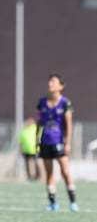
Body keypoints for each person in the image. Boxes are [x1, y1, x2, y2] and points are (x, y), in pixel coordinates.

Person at [36, 73, 79, 212]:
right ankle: (53, 203)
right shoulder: (42, 102)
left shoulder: (65, 103)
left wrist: (67, 143)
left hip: (59, 142)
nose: (50, 84)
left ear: (60, 86)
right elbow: (39, 122)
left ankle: (73, 202)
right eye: (49, 81)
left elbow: (69, 124)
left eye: (53, 82)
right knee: (48, 174)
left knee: (65, 172)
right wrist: (37, 140)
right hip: (45, 142)